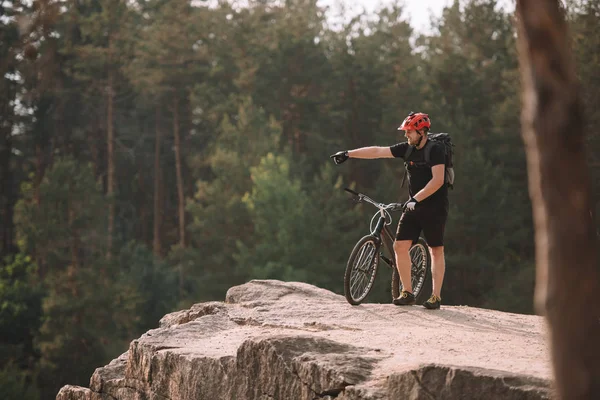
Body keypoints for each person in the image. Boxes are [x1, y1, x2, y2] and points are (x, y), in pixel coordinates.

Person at [330, 112, 448, 309]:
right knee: (399, 246)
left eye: (409, 132)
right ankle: (407, 292)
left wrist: (415, 199)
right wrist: (349, 153)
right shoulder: (407, 149)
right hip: (412, 206)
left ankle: (435, 297)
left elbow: (438, 181)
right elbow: (377, 151)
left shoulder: (435, 150)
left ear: (421, 131)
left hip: (434, 208)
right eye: (405, 132)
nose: (406, 136)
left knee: (435, 250)